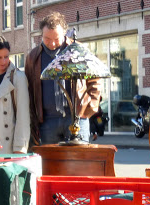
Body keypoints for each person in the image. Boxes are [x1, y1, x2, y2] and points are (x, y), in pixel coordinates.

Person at [25, 12, 101, 145]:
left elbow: (94, 79)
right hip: (47, 122)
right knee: (51, 159)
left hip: (77, 118)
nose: (52, 43)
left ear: (64, 34)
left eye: (56, 38)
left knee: (79, 158)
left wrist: (90, 107)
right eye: (47, 38)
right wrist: (34, 120)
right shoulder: (33, 57)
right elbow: (29, 89)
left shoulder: (78, 50)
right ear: (41, 35)